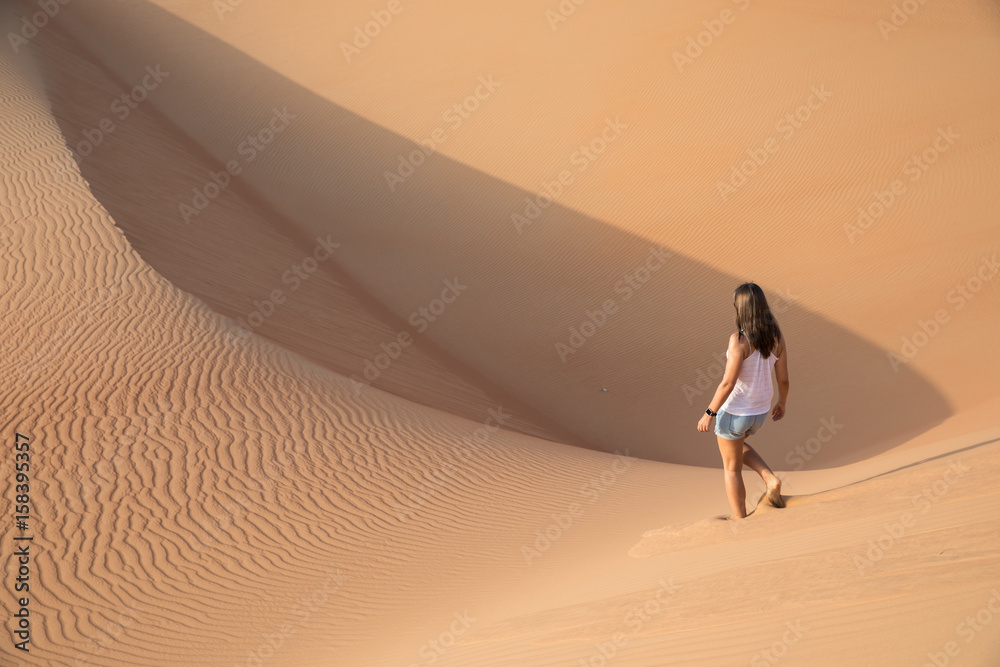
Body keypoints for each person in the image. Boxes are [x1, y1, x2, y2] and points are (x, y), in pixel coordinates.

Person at [697, 282, 789, 519]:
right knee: (736, 447)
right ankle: (769, 477)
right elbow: (784, 380)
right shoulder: (776, 338)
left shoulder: (739, 340)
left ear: (741, 308)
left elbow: (728, 382)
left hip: (736, 412)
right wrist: (782, 403)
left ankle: (741, 520)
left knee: (731, 468)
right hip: (759, 413)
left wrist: (709, 413)